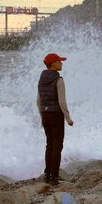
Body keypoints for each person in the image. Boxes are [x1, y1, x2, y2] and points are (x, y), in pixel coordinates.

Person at [37, 53, 74, 185]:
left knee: (49, 144)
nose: (61, 63)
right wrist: (68, 118)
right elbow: (62, 102)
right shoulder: (59, 80)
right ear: (53, 64)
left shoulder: (41, 78)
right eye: (59, 61)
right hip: (56, 115)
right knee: (57, 145)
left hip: (45, 114)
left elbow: (38, 100)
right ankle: (54, 177)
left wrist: (42, 117)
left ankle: (47, 174)